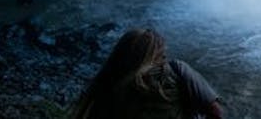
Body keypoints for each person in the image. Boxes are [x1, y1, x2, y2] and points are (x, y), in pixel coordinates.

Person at [72, 28, 224, 119]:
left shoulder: (109, 84)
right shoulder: (177, 69)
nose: (165, 56)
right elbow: (215, 111)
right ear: (155, 54)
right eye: (162, 53)